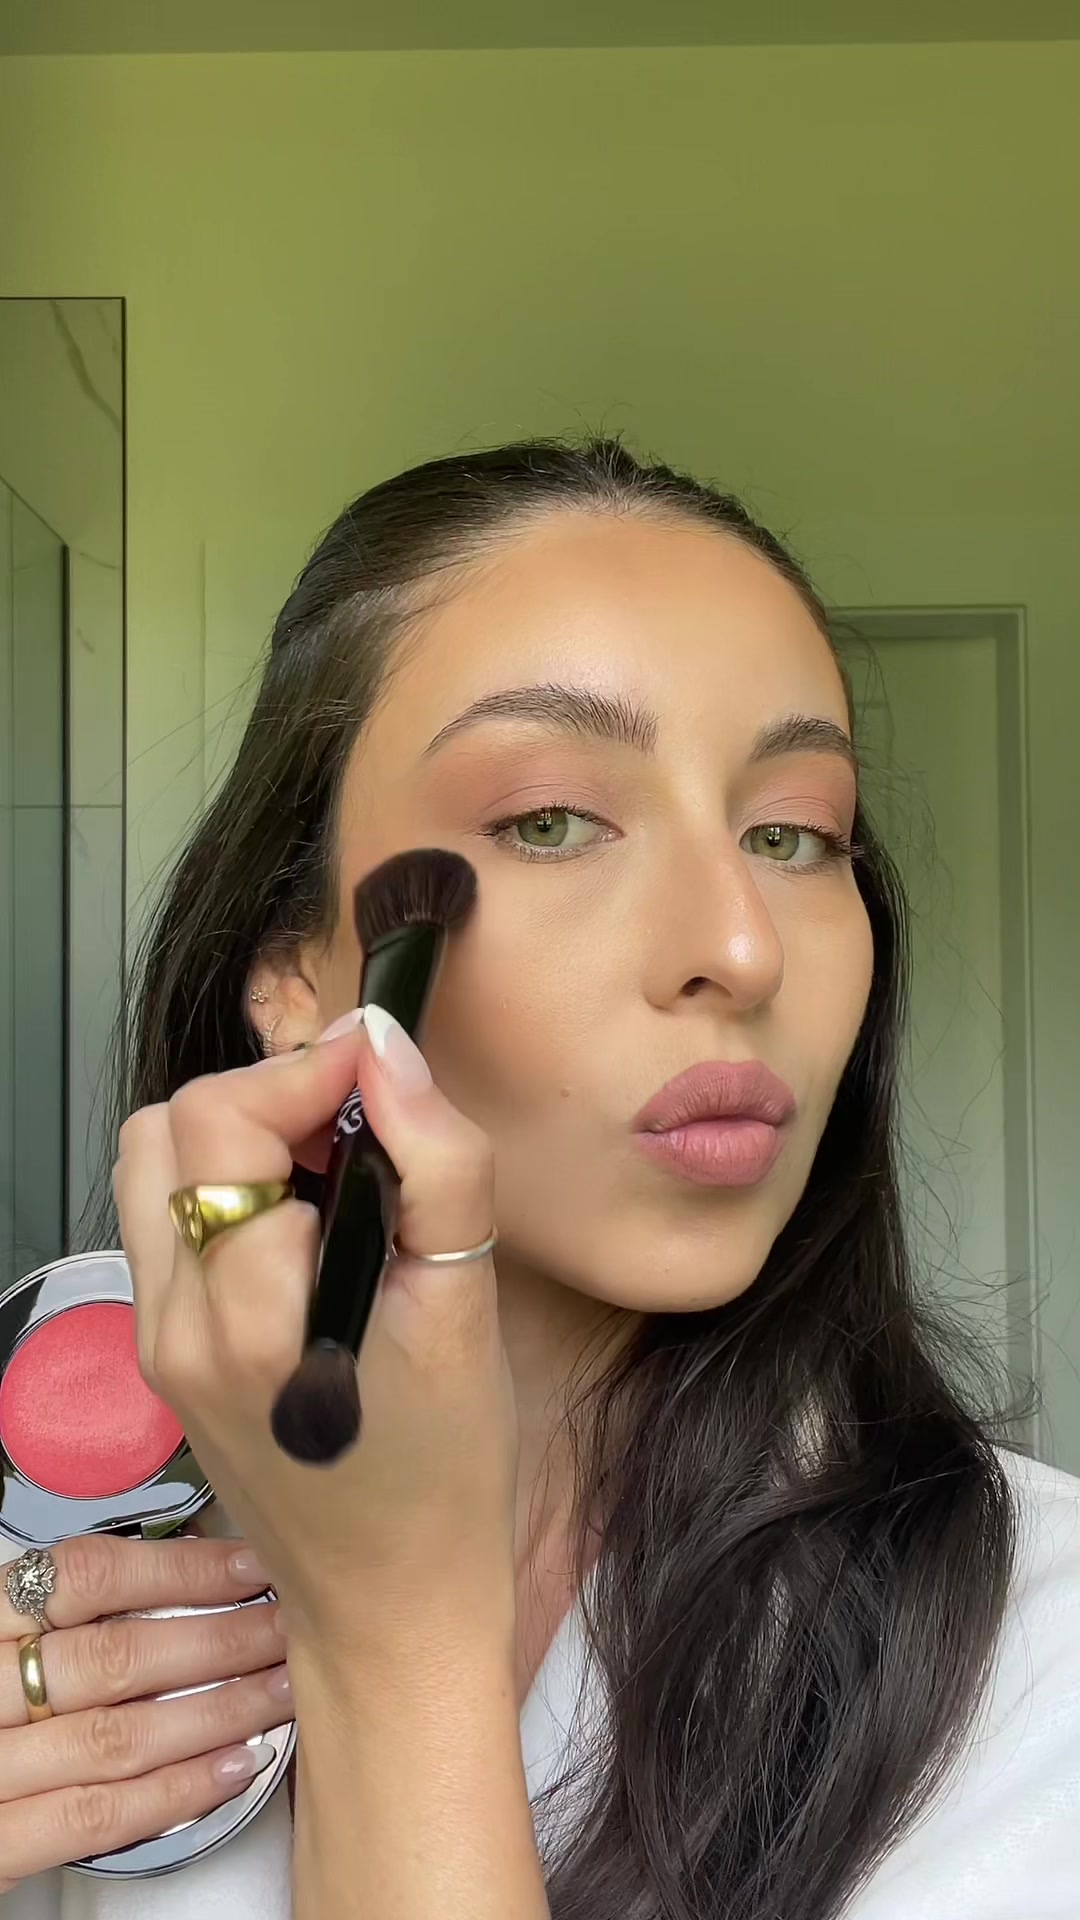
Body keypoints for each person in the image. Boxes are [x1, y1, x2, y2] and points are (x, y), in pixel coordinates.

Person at [2, 438, 1078, 1919]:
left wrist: (395, 1645)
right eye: (551, 821)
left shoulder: (1041, 1658)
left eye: (795, 835)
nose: (743, 945)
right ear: (296, 977)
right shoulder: (74, 1571)